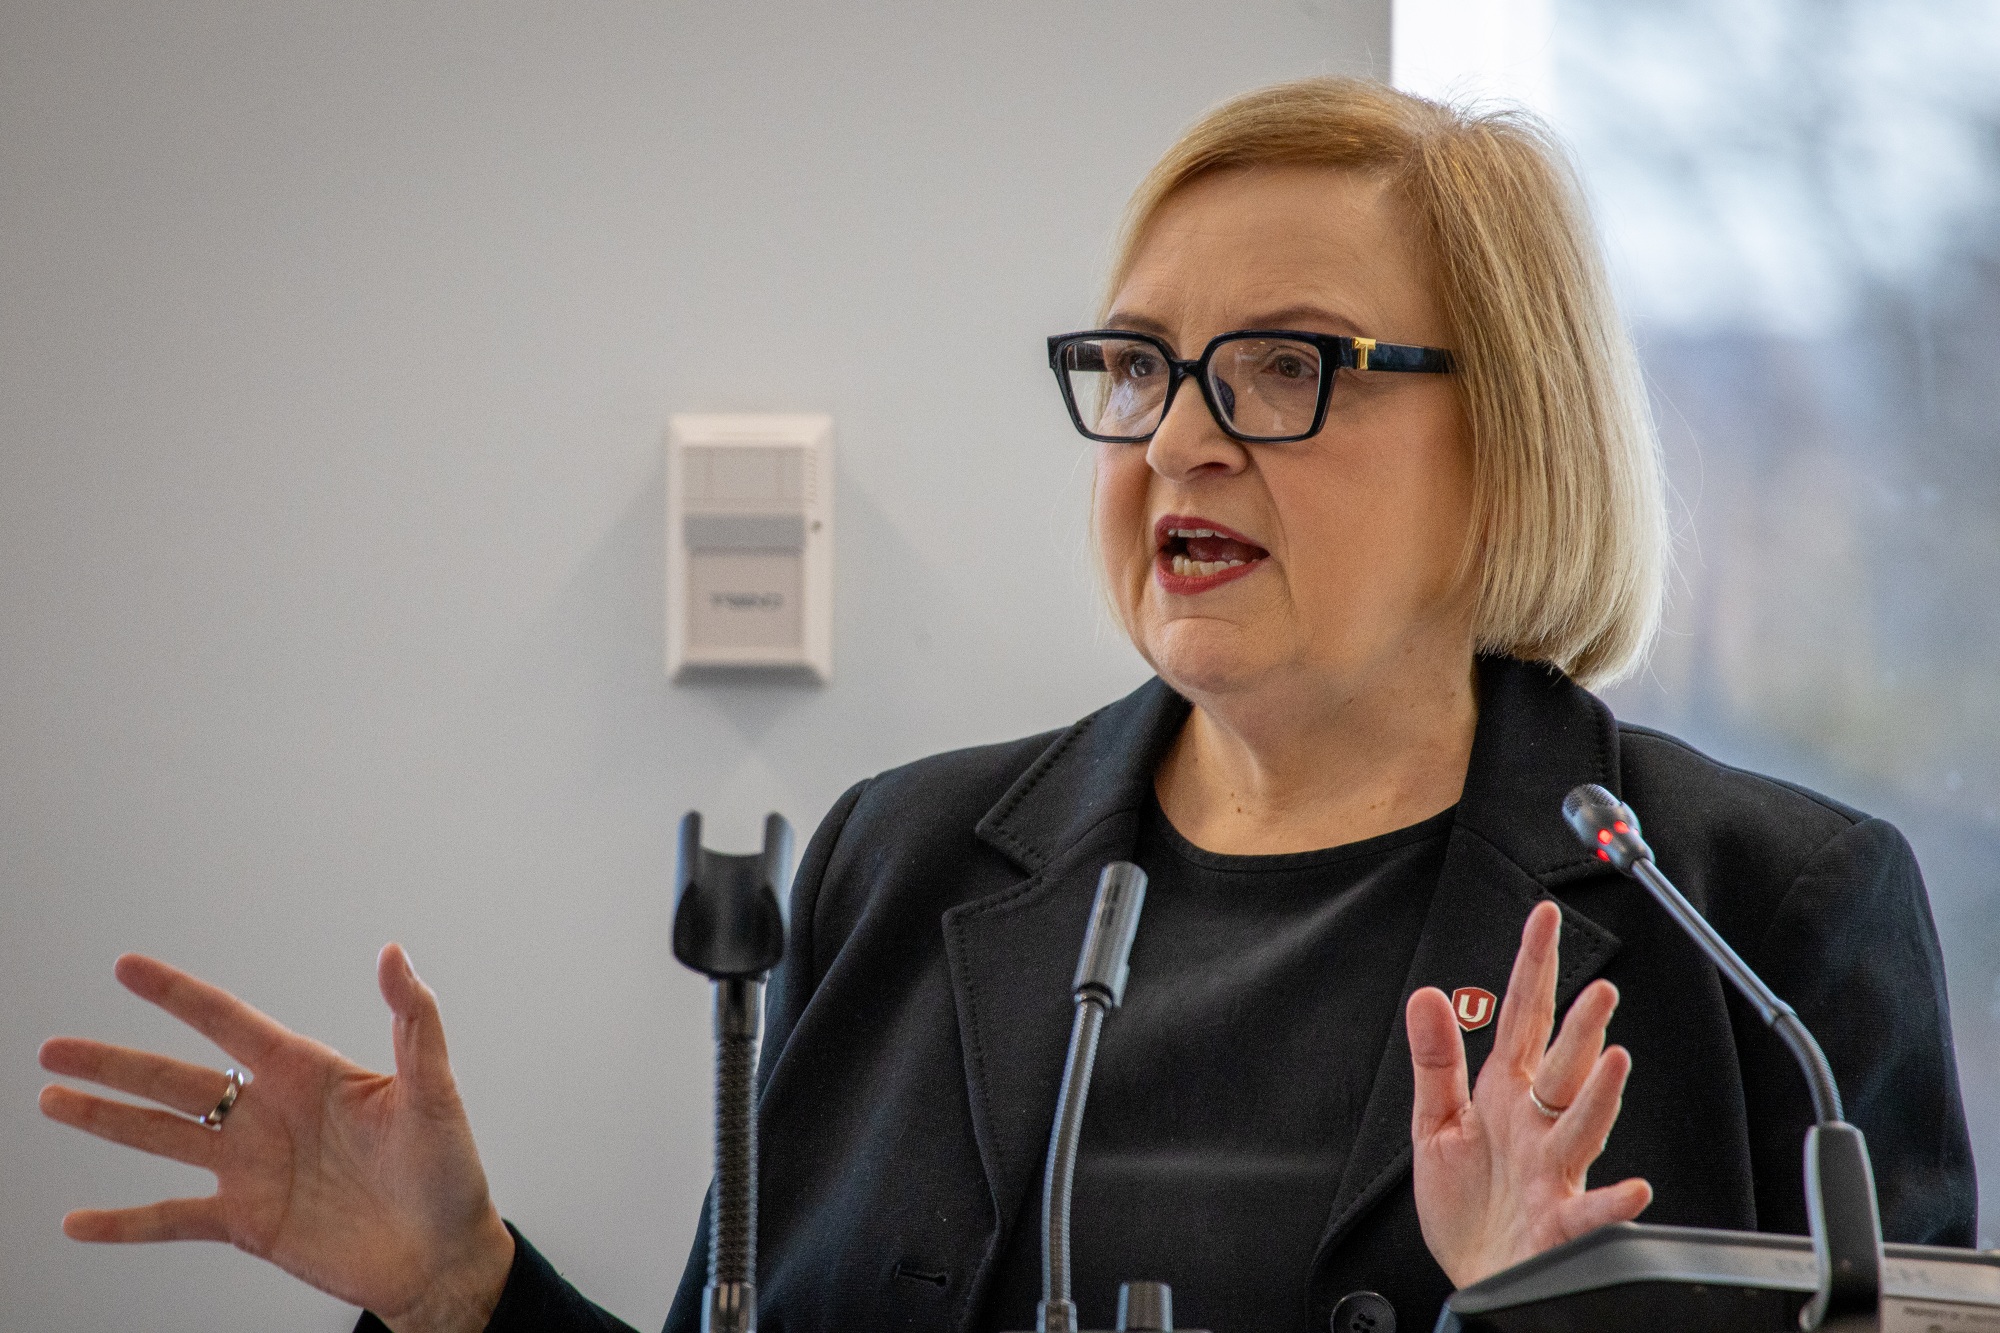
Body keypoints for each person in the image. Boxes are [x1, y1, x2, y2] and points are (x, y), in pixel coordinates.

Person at [37, 78, 1974, 1333]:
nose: (1182, 437)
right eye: (1138, 366)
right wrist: (464, 1289)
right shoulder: (901, 858)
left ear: (1513, 436)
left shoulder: (1760, 916)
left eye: (1281, 365)